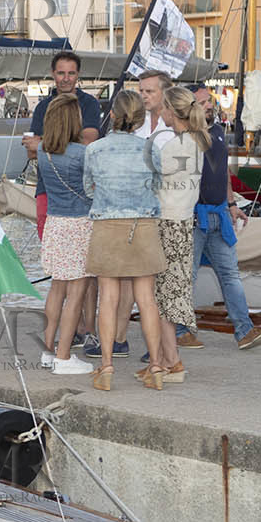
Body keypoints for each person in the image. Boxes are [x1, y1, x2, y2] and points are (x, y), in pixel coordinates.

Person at [82, 89, 167, 391]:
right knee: (147, 299)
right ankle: (155, 366)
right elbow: (158, 185)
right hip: (143, 225)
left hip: (107, 225)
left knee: (108, 298)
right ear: (140, 119)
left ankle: (106, 367)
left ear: (112, 115)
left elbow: (88, 188)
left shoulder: (95, 149)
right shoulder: (151, 149)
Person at [188, 85, 261, 349]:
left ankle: (244, 331)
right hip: (193, 218)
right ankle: (180, 331)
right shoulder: (185, 136)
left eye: (209, 101)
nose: (208, 106)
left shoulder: (217, 131)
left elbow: (222, 171)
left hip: (219, 214)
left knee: (230, 274)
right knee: (187, 277)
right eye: (202, 102)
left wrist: (232, 203)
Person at [148, 85, 209, 383]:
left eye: (163, 107)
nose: (160, 112)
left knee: (162, 297)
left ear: (172, 111)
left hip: (167, 225)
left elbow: (151, 180)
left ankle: (172, 363)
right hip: (183, 223)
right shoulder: (197, 141)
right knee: (172, 293)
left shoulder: (175, 147)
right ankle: (160, 361)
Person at [35, 94, 95, 375]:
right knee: (77, 291)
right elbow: (91, 190)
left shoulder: (42, 151)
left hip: (55, 223)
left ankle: (48, 350)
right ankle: (64, 356)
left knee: (56, 288)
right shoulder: (83, 154)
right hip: (79, 224)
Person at [22, 50, 103, 239]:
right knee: (49, 245)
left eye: (71, 73)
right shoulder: (42, 107)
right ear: (53, 74)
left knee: (84, 247)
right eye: (61, 73)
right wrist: (69, 142)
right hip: (47, 190)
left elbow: (89, 142)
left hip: (82, 190)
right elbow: (32, 153)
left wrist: (44, 143)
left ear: (78, 75)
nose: (66, 79)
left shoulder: (89, 104)